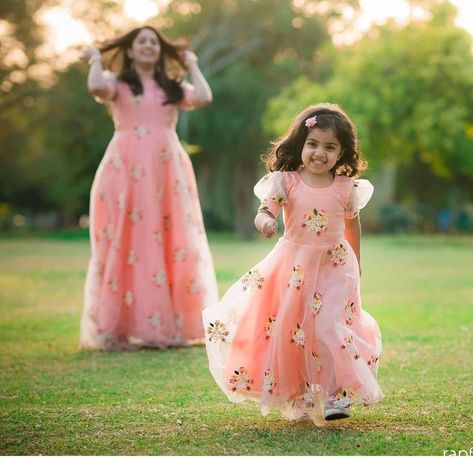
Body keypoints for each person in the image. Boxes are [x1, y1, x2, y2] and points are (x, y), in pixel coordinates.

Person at [203, 103, 383, 424]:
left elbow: (352, 224)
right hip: (294, 268)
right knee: (294, 331)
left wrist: (356, 261)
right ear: (301, 144)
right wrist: (265, 222)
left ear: (342, 152)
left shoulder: (345, 188)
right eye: (313, 144)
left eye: (330, 147)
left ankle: (334, 395)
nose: (319, 153)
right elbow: (265, 211)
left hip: (335, 266)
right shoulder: (285, 182)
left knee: (329, 325)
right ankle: (297, 396)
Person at [79, 26, 218, 350]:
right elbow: (96, 87)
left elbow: (204, 97)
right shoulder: (117, 83)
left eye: (153, 42)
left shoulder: (171, 87)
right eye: (141, 41)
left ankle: (169, 326)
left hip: (166, 170)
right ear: (130, 50)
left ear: (160, 50)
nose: (148, 46)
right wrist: (96, 60)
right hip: (124, 168)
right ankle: (119, 327)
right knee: (124, 240)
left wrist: (192, 64)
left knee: (172, 240)